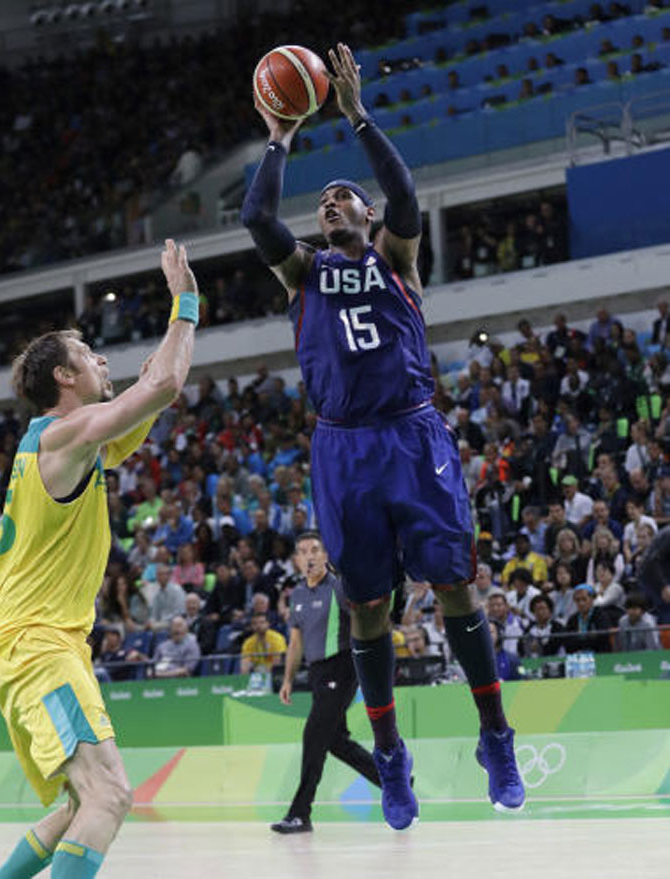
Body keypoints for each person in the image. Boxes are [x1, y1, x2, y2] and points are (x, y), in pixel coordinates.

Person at [241, 42, 524, 826]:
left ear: (366, 215)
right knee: (368, 609)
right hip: (341, 446)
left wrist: (358, 119)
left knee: (456, 583)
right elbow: (256, 215)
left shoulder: (398, 255)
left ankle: (495, 735)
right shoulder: (302, 271)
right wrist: (281, 134)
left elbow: (404, 194)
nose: (330, 203)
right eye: (324, 200)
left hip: (410, 431)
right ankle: (391, 758)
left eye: (344, 198)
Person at [0, 239, 199, 879]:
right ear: (64, 379)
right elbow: (164, 382)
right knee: (109, 796)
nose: (102, 360)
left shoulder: (72, 444)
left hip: (38, 647)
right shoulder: (65, 436)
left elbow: (159, 383)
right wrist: (187, 298)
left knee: (78, 804)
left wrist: (174, 324)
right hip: (38, 646)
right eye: (87, 356)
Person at [271, 531, 381, 834]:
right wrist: (288, 679)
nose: (309, 556)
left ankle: (300, 814)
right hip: (318, 674)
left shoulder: (339, 588)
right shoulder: (297, 596)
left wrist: (368, 661)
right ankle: (394, 781)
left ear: (325, 555)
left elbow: (363, 621)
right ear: (296, 559)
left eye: (315, 550)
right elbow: (296, 643)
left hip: (343, 667)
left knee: (314, 737)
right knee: (334, 740)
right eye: (303, 551)